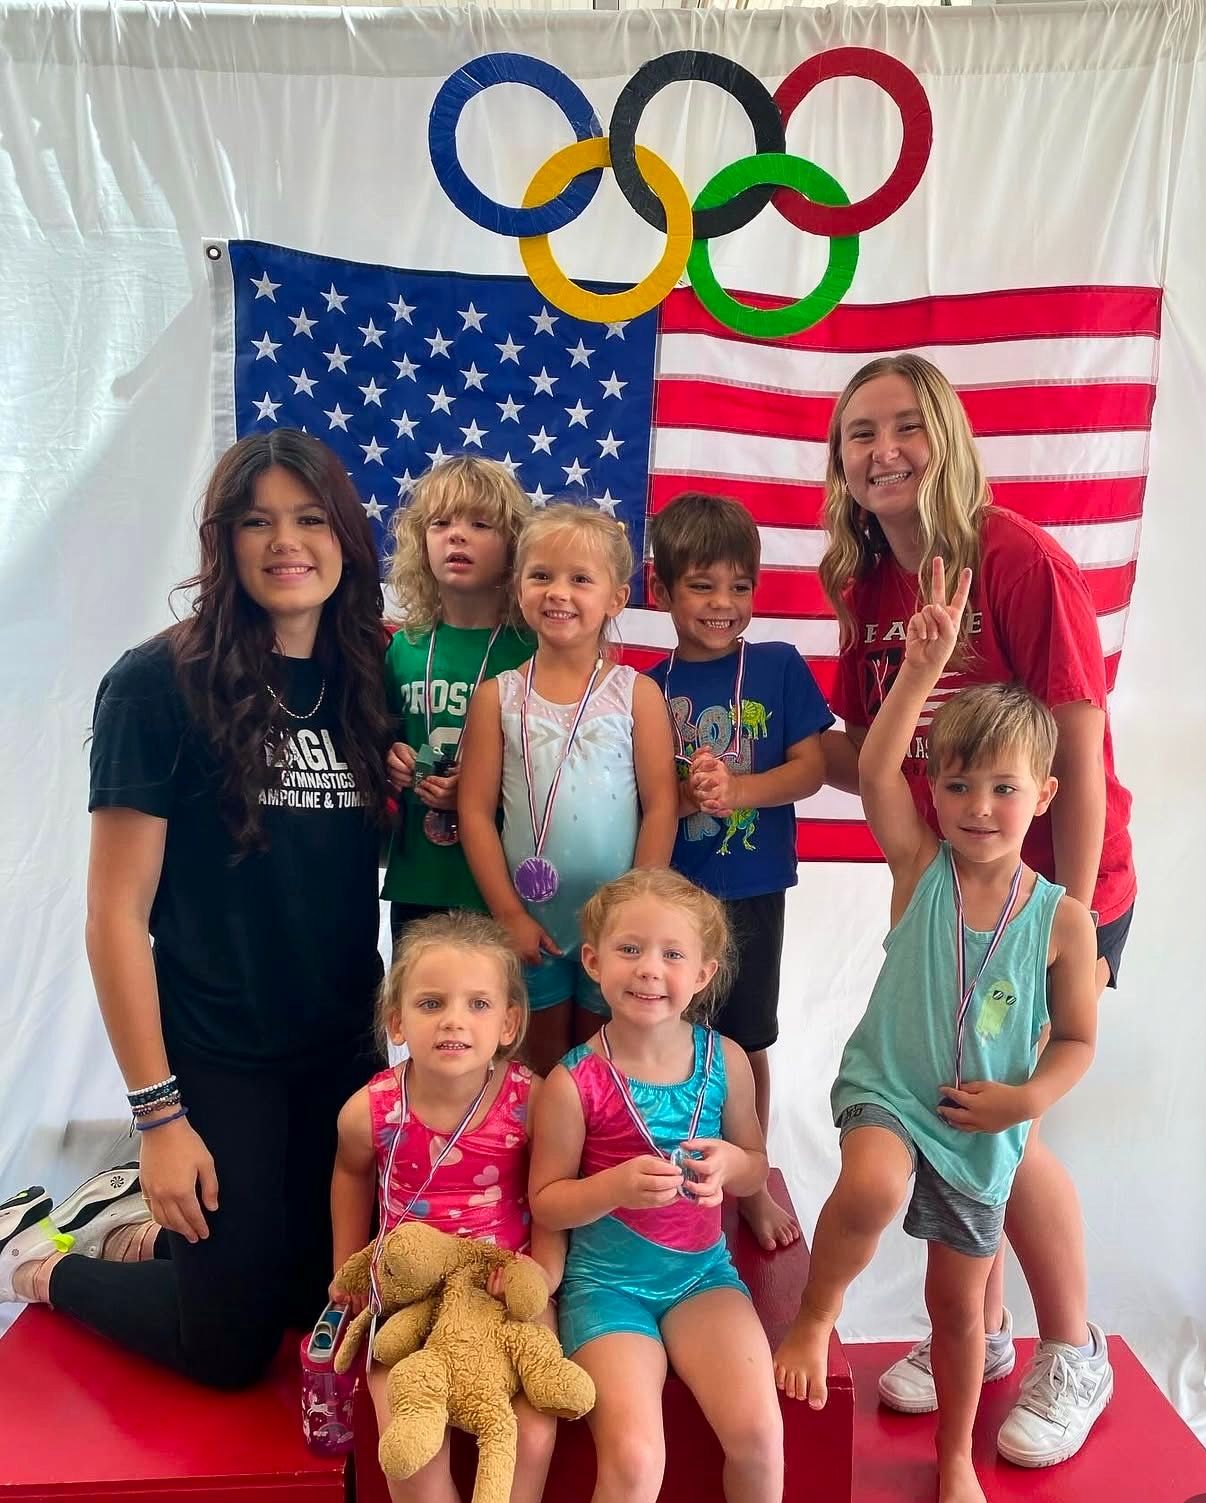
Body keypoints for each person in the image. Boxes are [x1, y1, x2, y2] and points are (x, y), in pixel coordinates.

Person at [0, 430, 391, 1389]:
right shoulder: (156, 685)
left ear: (344, 536)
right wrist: (159, 1115)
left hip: (341, 1051)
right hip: (218, 1057)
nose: (285, 542)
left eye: (308, 518)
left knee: (325, 1303)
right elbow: (113, 916)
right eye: (256, 521)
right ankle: (41, 1259)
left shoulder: (370, 678)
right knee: (226, 1346)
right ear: (222, 543)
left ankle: (142, 1232)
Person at [818, 353, 1131, 1463]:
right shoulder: (868, 590)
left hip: (1052, 899)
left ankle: (1072, 1348)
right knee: (957, 1100)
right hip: (948, 892)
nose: (884, 450)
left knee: (1012, 1121)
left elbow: (1081, 754)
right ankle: (980, 1332)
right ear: (841, 460)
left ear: (947, 437)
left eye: (906, 427)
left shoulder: (1015, 558)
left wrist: (1073, 931)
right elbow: (874, 752)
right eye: (861, 433)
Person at [775, 560, 1098, 1503]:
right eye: (960, 787)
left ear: (1043, 794)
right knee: (871, 1187)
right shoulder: (919, 866)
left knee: (959, 1309)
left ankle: (956, 1454)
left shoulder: (1062, 920)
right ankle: (815, 1313)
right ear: (938, 793)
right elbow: (875, 766)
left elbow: (1076, 1038)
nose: (980, 809)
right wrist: (922, 666)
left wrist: (1026, 1099)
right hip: (893, 1089)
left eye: (1004, 789)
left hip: (984, 1125)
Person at [529, 868, 783, 1503]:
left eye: (672, 955)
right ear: (593, 960)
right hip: (607, 1288)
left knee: (758, 1435)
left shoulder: (724, 1059)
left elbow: (754, 1160)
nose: (648, 969)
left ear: (702, 974)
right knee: (638, 1458)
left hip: (701, 1276)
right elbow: (546, 1201)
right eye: (630, 949)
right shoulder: (571, 1082)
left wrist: (731, 1165)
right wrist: (611, 1187)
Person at [645, 492, 831, 1252]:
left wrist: (741, 791)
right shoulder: (644, 687)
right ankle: (670, 1172)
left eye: (739, 586)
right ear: (660, 591)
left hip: (750, 890)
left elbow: (814, 766)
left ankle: (750, 1178)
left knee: (747, 1037)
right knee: (667, 1037)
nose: (724, 603)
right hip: (673, 899)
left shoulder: (779, 667)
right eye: (702, 585)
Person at [329, 911, 560, 1503]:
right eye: (432, 1003)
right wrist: (348, 1270)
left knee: (532, 1436)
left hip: (501, 1285)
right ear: (396, 1021)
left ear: (509, 1022)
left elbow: (554, 1193)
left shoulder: (529, 1103)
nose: (454, 1020)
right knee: (410, 1450)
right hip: (409, 1289)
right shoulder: (371, 1111)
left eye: (478, 1005)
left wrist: (544, 1276)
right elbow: (350, 1175)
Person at [458, 504, 677, 1076]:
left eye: (580, 579)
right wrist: (508, 912)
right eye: (542, 576)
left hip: (614, 927)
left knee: (605, 1067)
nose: (559, 593)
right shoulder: (497, 698)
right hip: (530, 920)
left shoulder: (636, 695)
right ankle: (542, 1167)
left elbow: (660, 806)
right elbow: (476, 814)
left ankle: (598, 1165)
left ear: (616, 598)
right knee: (539, 1071)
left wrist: (635, 911)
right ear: (518, 589)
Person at [383, 457, 534, 948]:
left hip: (503, 881)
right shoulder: (404, 646)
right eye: (440, 523)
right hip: (418, 875)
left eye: (479, 524)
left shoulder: (532, 649)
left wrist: (476, 790)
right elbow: (378, 737)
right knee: (419, 1014)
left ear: (514, 545)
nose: (456, 536)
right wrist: (390, 758)